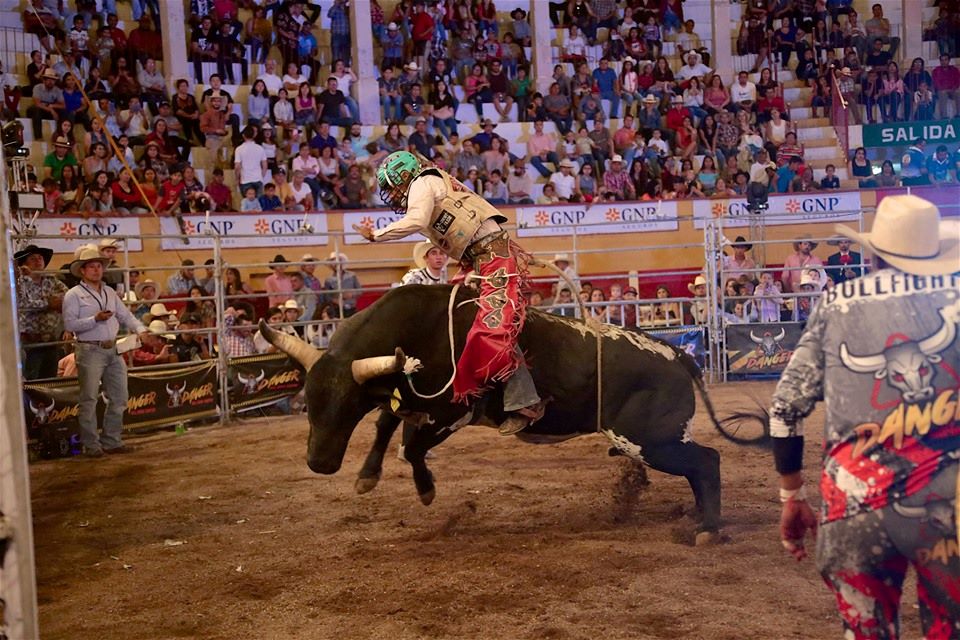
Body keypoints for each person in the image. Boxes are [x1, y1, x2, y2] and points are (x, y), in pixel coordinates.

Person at [766, 195, 959, 638]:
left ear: (871, 255)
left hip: (855, 504)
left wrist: (790, 496)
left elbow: (784, 408)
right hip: (949, 505)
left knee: (865, 628)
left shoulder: (836, 304)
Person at [359, 151, 547, 436]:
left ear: (403, 177)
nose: (392, 194)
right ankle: (460, 402)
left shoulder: (422, 183)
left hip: (490, 254)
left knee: (492, 328)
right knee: (457, 321)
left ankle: (525, 402)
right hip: (481, 255)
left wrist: (376, 235)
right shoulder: (433, 182)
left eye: (392, 186)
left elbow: (416, 220)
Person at [62, 247, 151, 457]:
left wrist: (141, 328)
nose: (96, 270)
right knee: (89, 398)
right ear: (82, 271)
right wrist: (95, 319)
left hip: (112, 348)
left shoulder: (109, 292)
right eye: (91, 266)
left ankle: (111, 441)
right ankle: (92, 445)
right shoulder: (73, 295)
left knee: (119, 397)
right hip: (90, 349)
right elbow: (70, 323)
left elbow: (125, 315)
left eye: (99, 266)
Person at [15, 244, 67, 380]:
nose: (38, 261)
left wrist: (44, 303)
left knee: (50, 379)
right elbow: (23, 303)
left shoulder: (52, 279)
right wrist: (49, 303)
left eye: (40, 258)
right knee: (32, 380)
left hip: (51, 339)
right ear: (25, 264)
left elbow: (67, 297)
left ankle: (48, 402)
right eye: (33, 259)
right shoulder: (21, 282)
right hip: (30, 340)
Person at [323, 252, 362, 317]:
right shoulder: (328, 280)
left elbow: (360, 290)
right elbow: (327, 297)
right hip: (337, 310)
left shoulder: (352, 275)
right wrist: (334, 300)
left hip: (352, 308)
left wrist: (352, 294)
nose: (335, 264)